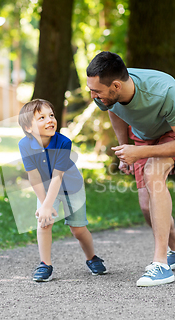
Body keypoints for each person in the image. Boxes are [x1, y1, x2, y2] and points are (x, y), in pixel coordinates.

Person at [86, 51, 175, 287]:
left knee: (153, 173)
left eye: (96, 91)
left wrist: (140, 153)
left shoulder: (163, 91)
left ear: (116, 86)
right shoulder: (107, 95)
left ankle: (161, 265)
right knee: (146, 206)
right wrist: (124, 150)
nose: (93, 96)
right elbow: (115, 112)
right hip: (144, 135)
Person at [18, 98, 107, 282]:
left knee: (78, 230)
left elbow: (58, 177)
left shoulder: (63, 142)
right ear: (28, 128)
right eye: (41, 117)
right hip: (44, 187)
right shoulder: (25, 145)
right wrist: (45, 205)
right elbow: (33, 177)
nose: (50, 120)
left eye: (51, 115)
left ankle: (92, 257)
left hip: (71, 187)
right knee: (44, 223)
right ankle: (45, 264)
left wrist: (47, 204)